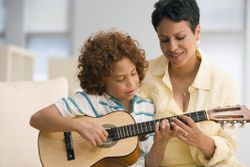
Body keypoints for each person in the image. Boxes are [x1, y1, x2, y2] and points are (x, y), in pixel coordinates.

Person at [29, 30, 173, 167]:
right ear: (101, 80)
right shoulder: (92, 100)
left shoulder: (147, 108)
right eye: (120, 79)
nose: (131, 82)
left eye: (133, 73)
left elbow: (150, 164)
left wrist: (161, 143)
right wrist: (80, 126)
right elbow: (37, 119)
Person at [139, 0, 245, 166]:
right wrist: (82, 122)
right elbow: (87, 83)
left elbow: (229, 145)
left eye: (180, 37)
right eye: (164, 40)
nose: (172, 47)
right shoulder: (142, 74)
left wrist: (201, 141)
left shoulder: (222, 81)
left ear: (197, 32)